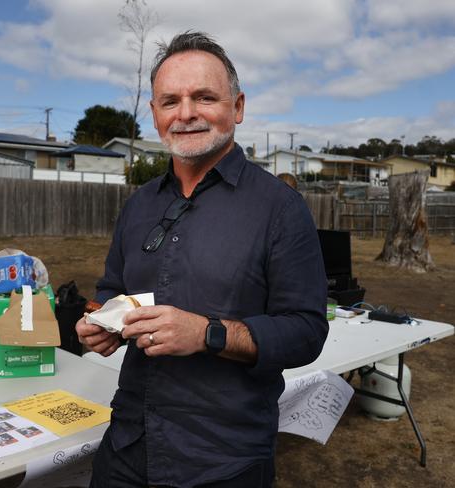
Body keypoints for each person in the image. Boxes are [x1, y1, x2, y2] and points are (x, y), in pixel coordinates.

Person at [76, 31, 329, 488]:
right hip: (128, 446)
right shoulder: (139, 206)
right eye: (170, 101)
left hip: (223, 460)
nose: (186, 113)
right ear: (154, 115)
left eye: (204, 97)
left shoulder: (280, 209)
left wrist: (207, 333)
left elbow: (307, 332)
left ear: (238, 107)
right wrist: (104, 322)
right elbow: (112, 289)